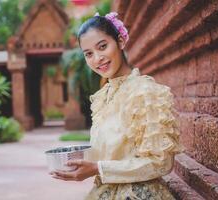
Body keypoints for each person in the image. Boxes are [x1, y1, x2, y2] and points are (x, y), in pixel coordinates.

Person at [49, 12, 183, 199]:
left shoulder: (145, 92)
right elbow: (113, 152)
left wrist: (98, 168)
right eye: (89, 54)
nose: (97, 59)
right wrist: (79, 165)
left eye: (102, 47)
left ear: (120, 42)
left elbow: (161, 163)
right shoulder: (103, 98)